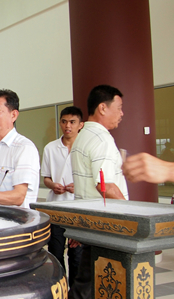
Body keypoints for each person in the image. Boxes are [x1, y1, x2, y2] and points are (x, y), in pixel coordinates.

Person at [68, 84, 128, 299]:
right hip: (107, 226)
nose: (122, 113)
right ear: (103, 108)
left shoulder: (82, 137)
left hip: (90, 223)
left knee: (87, 281)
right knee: (101, 285)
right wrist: (132, 216)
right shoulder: (102, 139)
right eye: (119, 107)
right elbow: (105, 186)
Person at [41, 106, 84, 288]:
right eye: (65, 121)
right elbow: (46, 178)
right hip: (56, 209)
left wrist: (79, 186)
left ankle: (75, 292)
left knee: (77, 257)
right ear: (60, 123)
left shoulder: (85, 148)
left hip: (79, 210)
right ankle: (60, 289)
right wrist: (54, 186)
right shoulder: (51, 148)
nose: (68, 126)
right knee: (56, 253)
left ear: (80, 125)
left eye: (72, 122)